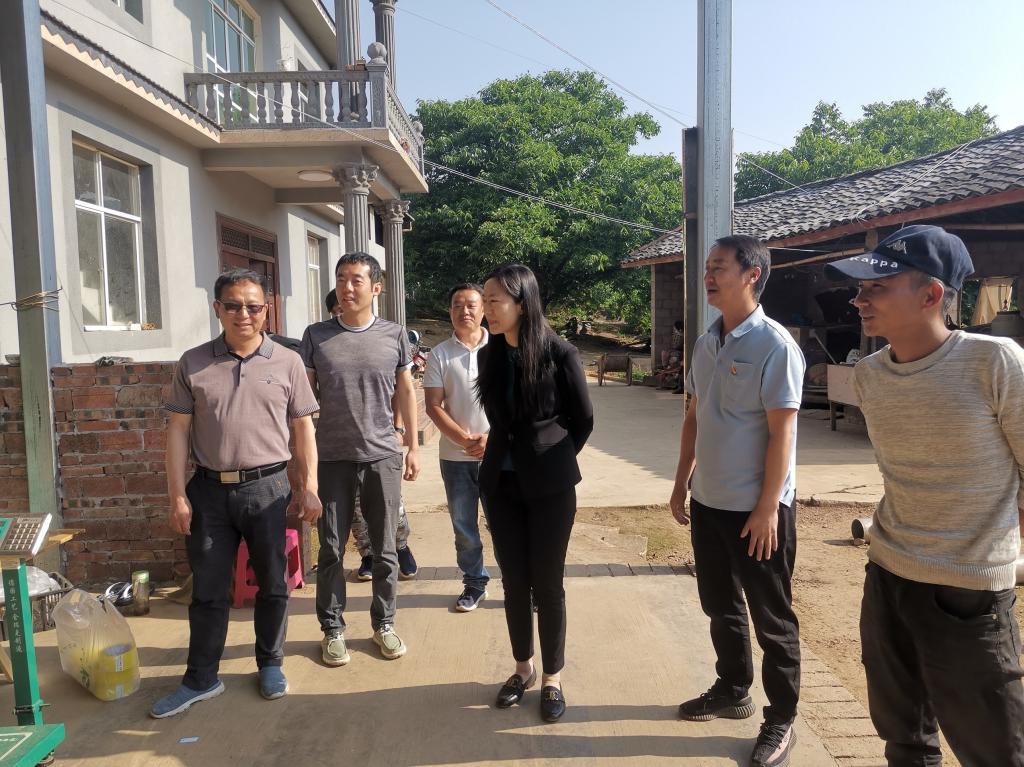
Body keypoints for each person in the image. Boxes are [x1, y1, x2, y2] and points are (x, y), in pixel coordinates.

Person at [825, 225, 1024, 766]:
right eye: (860, 288)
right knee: (904, 737)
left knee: (994, 750)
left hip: (968, 591)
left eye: (877, 288)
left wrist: (1003, 554)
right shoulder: (869, 375)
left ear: (931, 295)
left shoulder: (994, 362)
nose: (859, 299)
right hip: (888, 575)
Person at [152, 268, 321, 717]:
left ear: (266, 310)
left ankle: (270, 663)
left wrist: (309, 487)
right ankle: (201, 678)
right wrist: (177, 496)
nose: (243, 314)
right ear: (217, 309)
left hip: (268, 489)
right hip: (208, 491)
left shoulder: (287, 362)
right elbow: (177, 431)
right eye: (233, 305)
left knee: (273, 583)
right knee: (208, 589)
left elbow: (303, 428)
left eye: (253, 306)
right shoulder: (193, 363)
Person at [669, 235, 806, 767]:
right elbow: (694, 417)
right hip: (709, 502)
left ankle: (782, 718)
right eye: (707, 267)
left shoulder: (775, 345)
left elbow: (782, 433)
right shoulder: (706, 343)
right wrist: (681, 481)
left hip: (758, 511)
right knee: (720, 605)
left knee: (772, 620)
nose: (708, 276)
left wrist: (769, 507)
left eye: (719, 267)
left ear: (752, 274)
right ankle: (732, 688)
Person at [476, 264, 593, 723]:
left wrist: (550, 458)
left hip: (550, 487)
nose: (487, 309)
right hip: (500, 486)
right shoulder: (489, 355)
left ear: (522, 303)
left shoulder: (559, 353)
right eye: (485, 300)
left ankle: (552, 677)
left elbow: (583, 419)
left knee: (547, 583)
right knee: (514, 580)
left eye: (495, 301)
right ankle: (522, 668)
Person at [300, 253, 420, 665]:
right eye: (341, 279)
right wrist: (303, 461)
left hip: (382, 454)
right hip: (331, 457)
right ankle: (332, 628)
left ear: (376, 288)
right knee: (331, 549)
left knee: (385, 548)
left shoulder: (394, 334)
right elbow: (303, 403)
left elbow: (406, 390)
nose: (346, 287)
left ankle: (384, 624)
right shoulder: (316, 336)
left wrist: (411, 445)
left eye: (356, 280)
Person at [324, 289, 417, 582]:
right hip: (341, 447)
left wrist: (400, 430)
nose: (343, 311)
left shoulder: (385, 337)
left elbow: (400, 390)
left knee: (391, 507)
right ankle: (367, 553)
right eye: (336, 309)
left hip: (380, 441)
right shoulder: (324, 342)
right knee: (354, 510)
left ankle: (400, 547)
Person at [423, 283, 491, 612]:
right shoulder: (439, 354)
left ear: (484, 309)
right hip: (455, 458)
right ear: (449, 311)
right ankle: (474, 583)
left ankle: (521, 584)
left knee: (506, 524)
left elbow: (517, 403)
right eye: (457, 305)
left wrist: (491, 440)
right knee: (464, 527)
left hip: (499, 455)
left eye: (471, 304)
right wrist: (465, 441)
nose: (464, 311)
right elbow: (433, 406)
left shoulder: (503, 348)